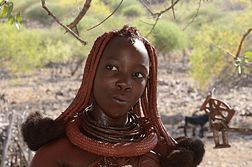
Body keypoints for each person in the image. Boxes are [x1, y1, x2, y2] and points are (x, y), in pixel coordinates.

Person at [22, 26, 205, 167]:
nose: (125, 82)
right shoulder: (56, 154)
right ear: (92, 72)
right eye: (112, 68)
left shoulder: (162, 155)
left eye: (137, 75)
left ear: (147, 84)